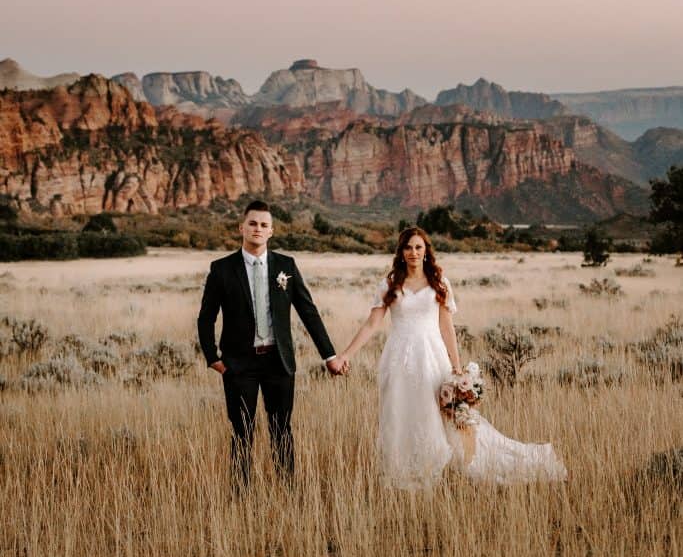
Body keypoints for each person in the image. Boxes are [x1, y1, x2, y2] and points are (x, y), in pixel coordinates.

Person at [340, 226, 567, 489]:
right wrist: (345, 355)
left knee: (437, 416)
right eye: (408, 247)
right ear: (401, 252)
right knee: (400, 412)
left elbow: (447, 327)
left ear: (426, 252)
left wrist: (457, 367)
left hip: (432, 357)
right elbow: (371, 324)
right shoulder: (390, 284)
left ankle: (434, 469)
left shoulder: (439, 282)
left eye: (418, 247)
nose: (413, 252)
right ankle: (402, 473)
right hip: (398, 359)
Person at [197, 200, 347, 487]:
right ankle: (241, 494)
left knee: (282, 430)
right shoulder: (222, 269)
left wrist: (330, 355)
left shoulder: (285, 266)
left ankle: (287, 490)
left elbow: (308, 312)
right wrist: (212, 358)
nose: (257, 229)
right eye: (252, 223)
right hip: (239, 365)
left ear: (271, 231)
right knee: (242, 431)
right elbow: (206, 317)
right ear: (241, 227)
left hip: (278, 362)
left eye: (264, 225)